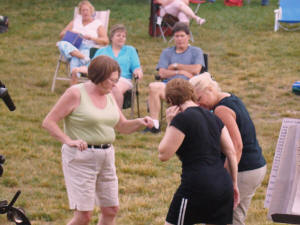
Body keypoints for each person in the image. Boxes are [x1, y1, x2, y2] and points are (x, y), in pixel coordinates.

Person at [42, 55, 153, 225]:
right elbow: (49, 122)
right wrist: (68, 140)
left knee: (111, 210)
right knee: (84, 216)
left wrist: (139, 122)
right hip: (81, 158)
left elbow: (122, 125)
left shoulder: (110, 94)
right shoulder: (75, 93)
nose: (116, 84)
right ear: (99, 77)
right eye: (112, 80)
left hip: (106, 157)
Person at [158, 78, 239, 225]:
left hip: (196, 185)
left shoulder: (181, 119)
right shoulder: (213, 117)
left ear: (170, 100)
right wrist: (234, 184)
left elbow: (163, 154)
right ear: (191, 94)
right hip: (223, 185)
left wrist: (170, 122)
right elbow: (231, 152)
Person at [190, 73, 267, 225]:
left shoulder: (222, 110)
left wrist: (227, 181)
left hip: (243, 170)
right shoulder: (231, 98)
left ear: (210, 89)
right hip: (255, 167)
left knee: (215, 217)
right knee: (234, 218)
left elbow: (236, 147)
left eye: (199, 99)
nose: (199, 105)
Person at [144, 22, 205, 133]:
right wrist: (181, 71)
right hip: (169, 87)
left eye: (182, 36)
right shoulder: (167, 53)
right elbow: (162, 73)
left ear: (188, 37)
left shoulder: (196, 51)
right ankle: (154, 125)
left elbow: (196, 69)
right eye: (176, 36)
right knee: (153, 86)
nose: (179, 39)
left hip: (189, 88)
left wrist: (175, 66)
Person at [71, 24, 143, 108]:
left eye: (124, 36)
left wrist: (138, 72)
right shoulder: (102, 50)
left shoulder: (130, 50)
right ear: (111, 37)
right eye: (118, 35)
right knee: (89, 86)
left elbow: (136, 67)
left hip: (123, 79)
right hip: (102, 78)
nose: (121, 38)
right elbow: (91, 66)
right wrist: (78, 69)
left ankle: (115, 116)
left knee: (115, 88)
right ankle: (78, 107)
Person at [57, 0, 109, 85]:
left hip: (87, 47)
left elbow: (106, 41)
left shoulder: (97, 24)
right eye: (83, 10)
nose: (85, 12)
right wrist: (73, 33)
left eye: (87, 10)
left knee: (75, 58)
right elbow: (61, 35)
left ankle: (73, 86)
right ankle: (83, 57)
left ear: (91, 11)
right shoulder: (75, 22)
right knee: (61, 43)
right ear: (80, 12)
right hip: (73, 46)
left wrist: (92, 38)